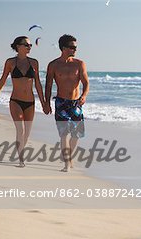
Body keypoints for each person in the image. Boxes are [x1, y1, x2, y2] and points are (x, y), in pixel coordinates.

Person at [0, 36, 47, 167]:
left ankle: (20, 152)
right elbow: (2, 80)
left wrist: (43, 103)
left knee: (27, 133)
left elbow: (38, 83)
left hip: (30, 103)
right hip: (15, 101)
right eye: (26, 45)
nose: (29, 47)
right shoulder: (10, 62)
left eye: (30, 45)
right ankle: (21, 159)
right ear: (18, 46)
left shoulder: (34, 63)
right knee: (20, 130)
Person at [45, 34, 89, 172]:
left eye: (75, 47)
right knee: (64, 134)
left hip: (76, 103)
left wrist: (84, 95)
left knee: (76, 135)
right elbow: (48, 85)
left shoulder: (79, 63)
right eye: (72, 47)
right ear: (63, 48)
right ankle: (66, 164)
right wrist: (46, 103)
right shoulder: (53, 65)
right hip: (61, 103)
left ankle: (69, 157)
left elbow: (86, 82)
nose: (74, 50)